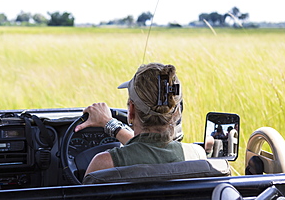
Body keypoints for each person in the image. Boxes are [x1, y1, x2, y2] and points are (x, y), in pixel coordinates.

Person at [75, 63, 207, 175]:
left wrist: (109, 123)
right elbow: (152, 150)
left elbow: (144, 150)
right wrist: (111, 125)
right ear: (177, 111)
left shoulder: (103, 164)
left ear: (131, 111)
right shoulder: (196, 156)